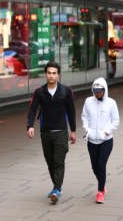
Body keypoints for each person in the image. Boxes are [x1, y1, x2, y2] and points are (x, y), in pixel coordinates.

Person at [26, 60, 77, 204]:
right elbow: (32, 110)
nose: (51, 76)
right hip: (45, 132)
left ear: (58, 75)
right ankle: (57, 186)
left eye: (54, 73)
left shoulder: (66, 91)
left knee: (58, 161)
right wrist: (30, 126)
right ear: (45, 74)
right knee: (50, 162)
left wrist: (73, 131)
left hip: (61, 132)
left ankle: (56, 189)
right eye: (49, 73)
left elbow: (71, 112)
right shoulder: (39, 92)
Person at [81, 77, 120, 204]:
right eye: (95, 91)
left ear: (105, 90)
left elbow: (115, 121)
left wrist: (107, 132)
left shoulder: (111, 103)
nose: (98, 93)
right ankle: (102, 184)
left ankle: (100, 192)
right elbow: (84, 117)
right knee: (94, 167)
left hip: (106, 140)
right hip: (91, 140)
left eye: (100, 91)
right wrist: (87, 130)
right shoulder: (88, 101)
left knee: (101, 164)